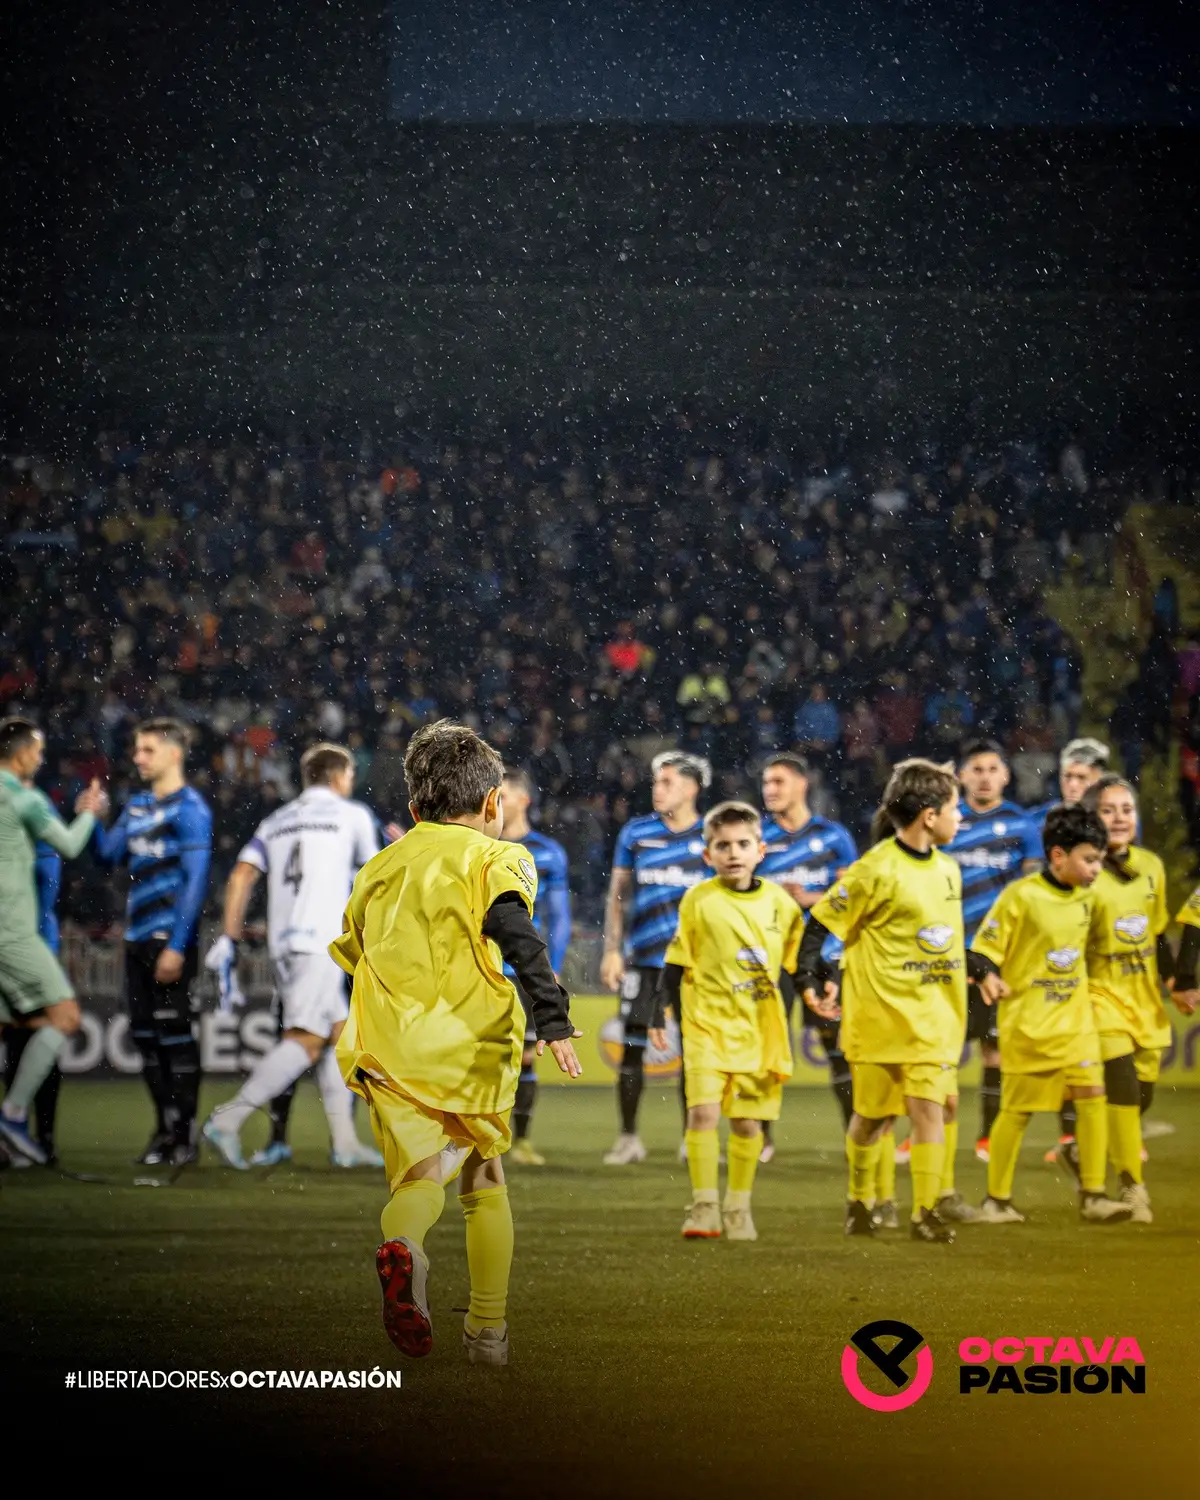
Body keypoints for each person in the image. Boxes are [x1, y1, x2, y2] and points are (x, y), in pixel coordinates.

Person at [330, 721, 582, 1366]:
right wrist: (551, 1016)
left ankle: (406, 1247)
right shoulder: (501, 857)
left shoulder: (379, 867)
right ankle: (487, 1332)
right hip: (468, 1043)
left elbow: (354, 951)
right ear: (495, 803)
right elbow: (513, 928)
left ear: (414, 808)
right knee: (484, 1175)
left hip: (386, 1045)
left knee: (417, 1184)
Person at [796, 759, 983, 1244]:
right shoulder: (874, 870)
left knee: (931, 1110)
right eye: (954, 808)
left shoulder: (949, 870)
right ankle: (859, 1200)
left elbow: (937, 941)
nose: (960, 818)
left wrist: (980, 966)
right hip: (880, 1020)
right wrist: (811, 978)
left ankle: (925, 1212)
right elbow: (819, 925)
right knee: (871, 1122)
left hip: (933, 1022)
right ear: (928, 816)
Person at [201, 743, 384, 1170]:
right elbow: (377, 878)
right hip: (321, 940)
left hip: (284, 941)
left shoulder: (277, 820)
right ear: (340, 777)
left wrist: (229, 935)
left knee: (340, 1034)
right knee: (305, 1039)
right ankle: (227, 1120)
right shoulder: (351, 815)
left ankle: (345, 1143)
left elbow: (242, 874)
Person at [970, 804, 1132, 1224]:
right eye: (1089, 859)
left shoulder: (1089, 900)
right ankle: (997, 1200)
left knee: (1092, 1097)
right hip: (1028, 1025)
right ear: (1058, 856)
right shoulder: (1020, 897)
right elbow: (983, 950)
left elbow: (1097, 951)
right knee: (1017, 1111)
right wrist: (988, 976)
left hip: (1075, 1025)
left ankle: (1094, 1195)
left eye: (1099, 859)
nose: (1097, 869)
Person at [651, 802, 803, 1242]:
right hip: (706, 1026)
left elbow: (796, 965)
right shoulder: (698, 899)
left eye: (742, 844)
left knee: (746, 1124)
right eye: (722, 845)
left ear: (761, 849)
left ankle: (738, 1207)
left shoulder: (781, 905)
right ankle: (704, 1206)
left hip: (757, 1030)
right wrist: (659, 1009)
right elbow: (675, 962)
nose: (732, 853)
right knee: (701, 1114)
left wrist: (816, 991)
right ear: (707, 855)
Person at [92, 719, 213, 1167]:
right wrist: (92, 817)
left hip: (168, 938)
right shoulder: (138, 805)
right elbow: (108, 856)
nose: (138, 758)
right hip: (136, 939)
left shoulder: (191, 809)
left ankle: (185, 1136)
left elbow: (196, 882)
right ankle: (163, 1131)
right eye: (137, 750)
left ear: (173, 753)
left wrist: (178, 945)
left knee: (176, 1037)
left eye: (147, 750)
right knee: (145, 1038)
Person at [0, 718, 106, 1164]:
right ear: (21, 753)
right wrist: (89, 813)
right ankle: (13, 1114)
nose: (41, 759)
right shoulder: (24, 798)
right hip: (13, 931)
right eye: (37, 751)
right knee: (65, 1016)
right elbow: (67, 844)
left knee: (25, 1024)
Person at [1080, 775, 1185, 1223]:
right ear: (1092, 818)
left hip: (1143, 999)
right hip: (1098, 994)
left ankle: (1086, 1157)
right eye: (1109, 810)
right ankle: (1132, 1187)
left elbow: (1158, 931)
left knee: (1138, 1096)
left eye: (1126, 808)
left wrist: (1177, 981)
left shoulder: (1151, 867)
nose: (1120, 818)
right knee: (1121, 1083)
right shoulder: (1083, 874)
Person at [599, 751, 710, 1165]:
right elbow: (618, 897)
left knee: (697, 1054)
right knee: (631, 1048)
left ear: (692, 788)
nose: (657, 789)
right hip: (644, 961)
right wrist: (612, 950)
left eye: (667, 782)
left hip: (695, 966)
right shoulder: (637, 833)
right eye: (656, 782)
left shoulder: (711, 836)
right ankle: (629, 1138)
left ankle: (692, 1139)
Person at [945, 739, 1041, 1172]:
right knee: (938, 1049)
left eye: (991, 769)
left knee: (994, 1050)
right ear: (961, 776)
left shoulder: (1022, 826)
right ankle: (924, 1134)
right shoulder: (947, 822)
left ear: (1005, 775)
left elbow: (1032, 889)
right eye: (976, 769)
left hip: (999, 954)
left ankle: (988, 1134)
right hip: (946, 952)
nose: (984, 776)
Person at [758, 752, 856, 1160]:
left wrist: (813, 897)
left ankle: (856, 1132)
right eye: (766, 783)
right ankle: (761, 1138)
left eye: (778, 781)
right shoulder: (758, 837)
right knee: (767, 1048)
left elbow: (853, 896)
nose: (770, 790)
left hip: (821, 958)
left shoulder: (833, 837)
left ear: (802, 784)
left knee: (839, 1049)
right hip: (773, 959)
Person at [1026, 735, 1111, 1162]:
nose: (1072, 785)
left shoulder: (1114, 823)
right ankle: (1070, 1139)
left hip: (1099, 953)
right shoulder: (1044, 823)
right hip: (1051, 954)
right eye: (1067, 777)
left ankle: (1106, 1132)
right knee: (1065, 1051)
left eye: (1082, 777)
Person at [499, 768, 571, 1166]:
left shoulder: (546, 852)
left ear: (523, 799)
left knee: (526, 1056)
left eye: (504, 793)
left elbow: (558, 916)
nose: (496, 800)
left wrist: (553, 966)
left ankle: (520, 1140)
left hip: (525, 971)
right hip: (485, 967)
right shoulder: (478, 846)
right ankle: (472, 1140)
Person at [3, 798, 67, 1164]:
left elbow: (46, 886)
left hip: (33, 944)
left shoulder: (33, 813)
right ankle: (19, 1135)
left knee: (40, 1036)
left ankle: (43, 1136)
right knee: (16, 1043)